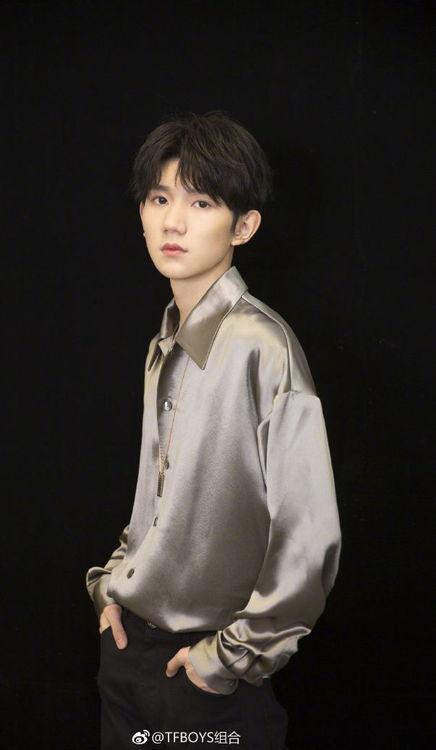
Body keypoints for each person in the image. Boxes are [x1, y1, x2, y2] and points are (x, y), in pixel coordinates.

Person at [86, 110, 341, 749]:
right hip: (129, 653)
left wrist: (227, 659)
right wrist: (109, 586)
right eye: (159, 199)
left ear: (244, 225)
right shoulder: (163, 342)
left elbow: (309, 540)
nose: (173, 222)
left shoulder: (262, 346)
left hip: (202, 675)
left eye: (201, 202)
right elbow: (157, 502)